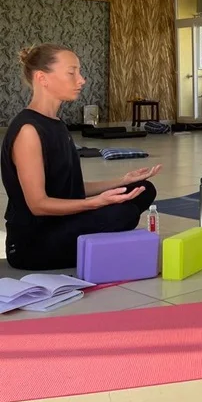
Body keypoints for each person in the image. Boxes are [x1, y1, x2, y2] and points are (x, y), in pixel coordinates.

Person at [1, 44, 159, 270]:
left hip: (63, 223)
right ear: (42, 78)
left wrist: (123, 181)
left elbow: (69, 187)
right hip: (33, 243)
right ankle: (101, 244)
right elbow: (38, 205)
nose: (81, 79)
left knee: (143, 188)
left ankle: (99, 243)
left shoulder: (56, 124)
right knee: (121, 213)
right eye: (71, 72)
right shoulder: (29, 130)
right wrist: (95, 203)